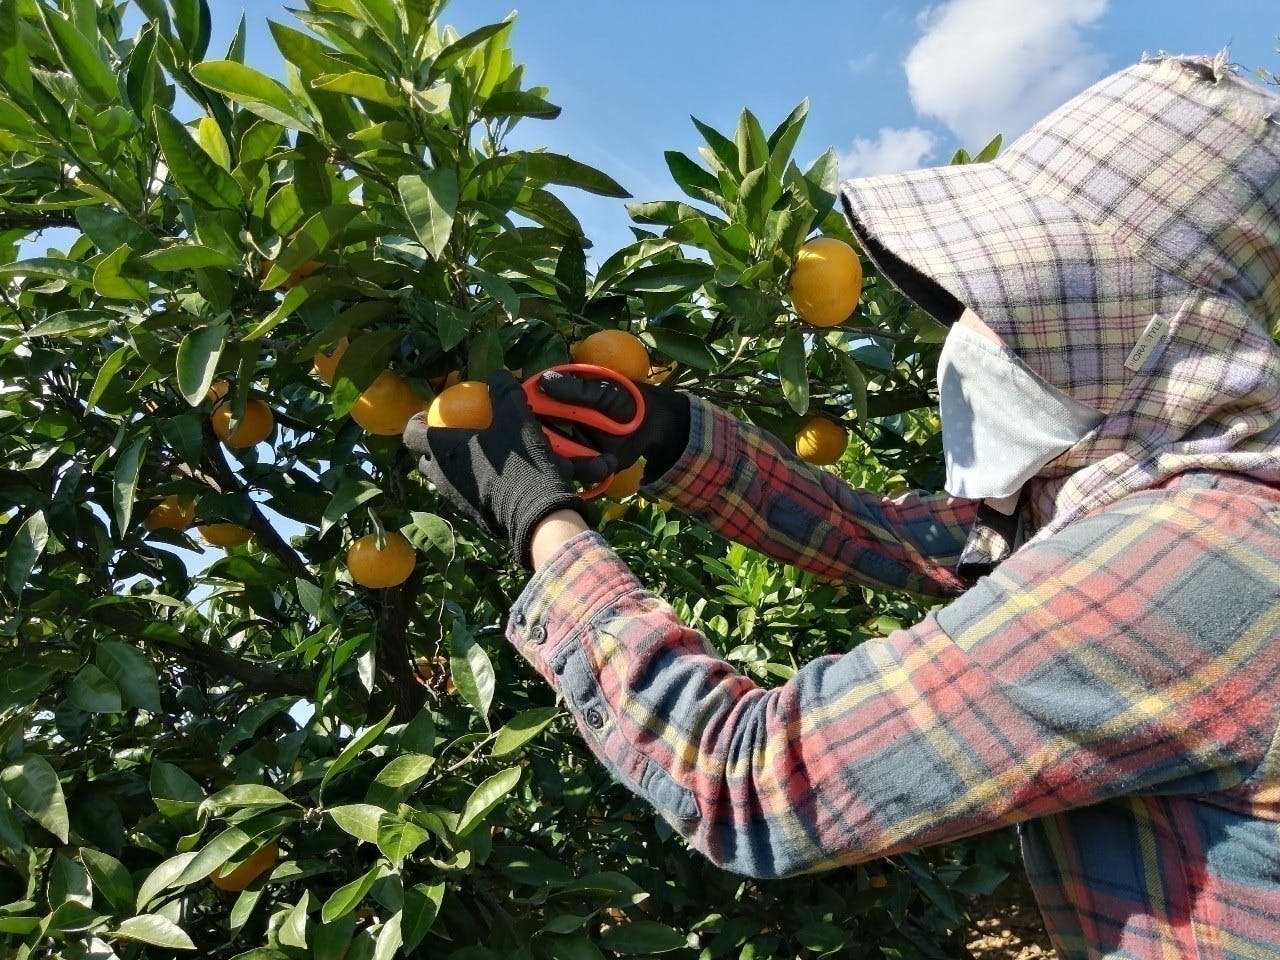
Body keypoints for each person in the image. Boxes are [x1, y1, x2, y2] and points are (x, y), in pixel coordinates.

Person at [403, 55, 1280, 960]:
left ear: (1138, 332)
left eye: (1008, 307)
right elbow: (902, 541)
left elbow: (749, 781)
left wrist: (538, 520)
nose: (969, 337)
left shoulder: (1183, 566)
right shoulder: (1184, 502)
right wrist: (670, 437)